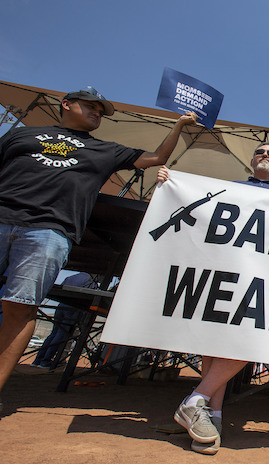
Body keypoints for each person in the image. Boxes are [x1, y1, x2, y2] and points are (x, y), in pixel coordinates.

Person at [0, 86, 198, 401]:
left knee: (20, 308)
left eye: (101, 111)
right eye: (91, 106)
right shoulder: (22, 136)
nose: (97, 113)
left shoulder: (107, 150)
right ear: (66, 104)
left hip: (49, 231)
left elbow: (157, 158)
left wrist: (178, 125)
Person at [158, 142, 269, 455]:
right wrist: (169, 183)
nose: (266, 156)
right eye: (261, 152)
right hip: (226, 270)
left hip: (263, 279)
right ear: (252, 159)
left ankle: (194, 400)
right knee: (213, 342)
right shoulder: (229, 188)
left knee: (251, 339)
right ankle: (211, 415)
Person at [31, 272, 98, 369]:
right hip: (73, 307)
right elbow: (91, 296)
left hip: (61, 306)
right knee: (62, 334)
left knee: (54, 333)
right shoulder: (89, 280)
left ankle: (38, 360)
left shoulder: (71, 277)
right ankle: (46, 361)